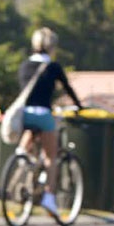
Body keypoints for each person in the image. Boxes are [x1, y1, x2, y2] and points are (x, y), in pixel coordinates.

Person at [17, 27, 82, 214]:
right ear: (52, 46)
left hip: (25, 113)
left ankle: (21, 156)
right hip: (43, 113)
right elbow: (67, 88)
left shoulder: (25, 65)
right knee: (50, 157)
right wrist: (79, 106)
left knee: (30, 133)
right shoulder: (53, 67)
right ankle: (48, 197)